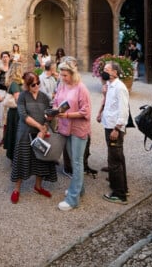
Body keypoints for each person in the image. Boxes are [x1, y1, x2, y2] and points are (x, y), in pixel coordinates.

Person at [9, 71, 56, 204]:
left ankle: (38, 186)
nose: (36, 86)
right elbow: (23, 116)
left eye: (38, 83)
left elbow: (49, 114)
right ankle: (17, 189)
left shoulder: (44, 97)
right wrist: (39, 127)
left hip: (41, 134)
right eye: (33, 84)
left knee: (40, 159)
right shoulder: (22, 96)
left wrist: (45, 126)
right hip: (25, 133)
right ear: (27, 85)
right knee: (22, 159)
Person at [54, 61, 91, 211]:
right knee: (72, 160)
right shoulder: (62, 85)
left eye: (65, 75)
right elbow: (56, 101)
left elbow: (86, 112)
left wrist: (67, 115)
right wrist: (53, 111)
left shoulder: (81, 88)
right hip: (65, 128)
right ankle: (79, 190)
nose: (62, 77)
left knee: (76, 163)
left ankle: (73, 199)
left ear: (72, 74)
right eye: (61, 74)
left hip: (78, 129)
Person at [97, 62, 130, 204]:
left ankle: (119, 194)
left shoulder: (120, 88)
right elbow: (109, 103)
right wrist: (101, 113)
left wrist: (117, 128)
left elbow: (124, 110)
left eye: (107, 70)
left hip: (114, 128)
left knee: (114, 160)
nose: (103, 72)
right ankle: (124, 187)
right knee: (118, 157)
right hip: (109, 124)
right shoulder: (110, 85)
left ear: (115, 72)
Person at [2, 61, 23, 161]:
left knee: (14, 133)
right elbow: (18, 100)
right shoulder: (15, 84)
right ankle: (16, 157)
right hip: (16, 113)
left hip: (14, 113)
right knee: (15, 134)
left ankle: (15, 156)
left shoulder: (14, 83)